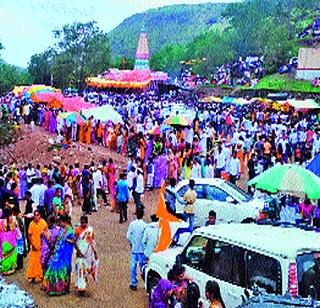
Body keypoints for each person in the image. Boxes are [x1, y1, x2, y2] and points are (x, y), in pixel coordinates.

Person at [43, 214, 76, 295]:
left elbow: (73, 241)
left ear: (65, 222)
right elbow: (57, 238)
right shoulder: (61, 229)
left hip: (65, 253)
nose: (60, 224)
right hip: (58, 252)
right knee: (54, 267)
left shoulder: (69, 230)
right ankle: (53, 287)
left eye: (61, 222)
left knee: (63, 269)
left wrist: (66, 240)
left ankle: (63, 288)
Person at [74, 216, 99, 296]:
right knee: (80, 267)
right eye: (81, 222)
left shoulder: (90, 230)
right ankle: (81, 287)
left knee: (87, 268)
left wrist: (95, 252)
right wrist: (78, 251)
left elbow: (92, 241)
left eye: (84, 223)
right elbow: (74, 241)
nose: (82, 224)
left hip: (88, 253)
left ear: (87, 223)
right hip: (80, 252)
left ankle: (83, 282)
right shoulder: (77, 230)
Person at [126, 209, 147, 291]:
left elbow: (128, 235)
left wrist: (132, 242)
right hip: (142, 250)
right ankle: (145, 283)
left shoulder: (132, 224)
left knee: (133, 267)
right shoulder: (145, 225)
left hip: (134, 249)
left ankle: (134, 283)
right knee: (143, 267)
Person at [173, 179, 197, 244]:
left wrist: (177, 196)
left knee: (182, 223)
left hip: (187, 208)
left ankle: (177, 237)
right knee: (191, 225)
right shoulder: (195, 193)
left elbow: (183, 201)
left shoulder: (187, 193)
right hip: (192, 208)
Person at [26, 210, 47, 282]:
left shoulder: (43, 223)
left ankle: (39, 276)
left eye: (37, 215)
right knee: (32, 261)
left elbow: (47, 233)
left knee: (40, 262)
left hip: (41, 246)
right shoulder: (31, 224)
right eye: (35, 215)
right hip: (34, 246)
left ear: (40, 216)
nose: (36, 217)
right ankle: (32, 276)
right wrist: (32, 244)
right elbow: (29, 235)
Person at [0, 206, 20, 275]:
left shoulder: (1, 221)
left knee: (4, 253)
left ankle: (5, 268)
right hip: (12, 239)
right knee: (12, 253)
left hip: (4, 240)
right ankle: (12, 268)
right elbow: (17, 231)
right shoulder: (14, 220)